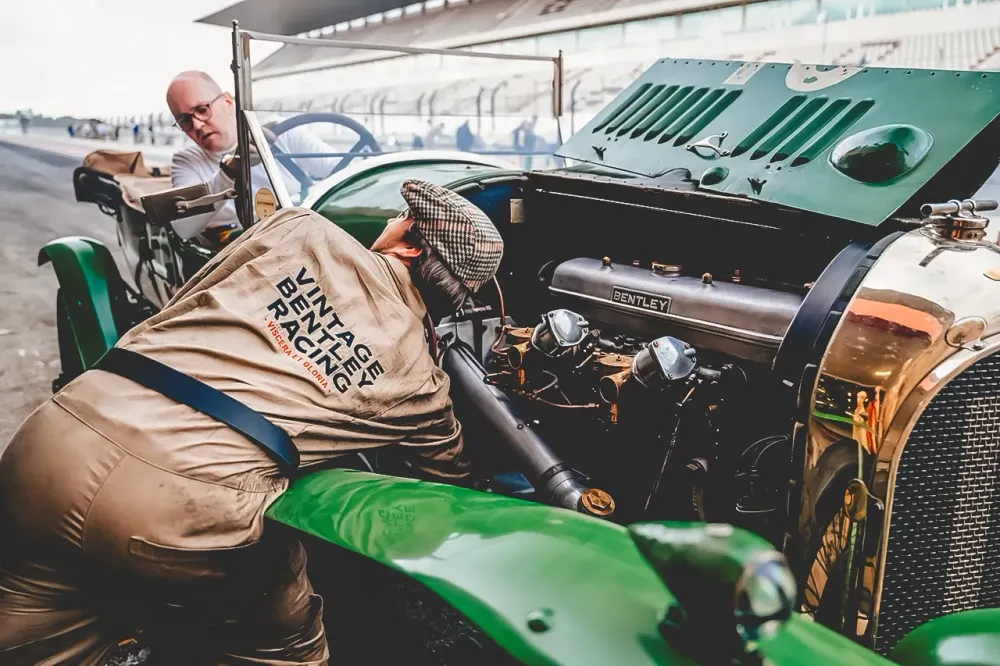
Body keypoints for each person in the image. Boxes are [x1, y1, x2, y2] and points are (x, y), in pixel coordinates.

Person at [0, 178, 504, 665]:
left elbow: (186, 302)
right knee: (286, 653)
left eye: (401, 217)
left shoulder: (300, 228)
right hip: (183, 509)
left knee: (30, 643)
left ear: (410, 244)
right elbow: (448, 480)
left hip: (60, 436)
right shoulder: (421, 382)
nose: (392, 221)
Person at [167, 71, 341, 241]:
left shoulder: (281, 133)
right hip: (237, 249)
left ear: (228, 101)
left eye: (202, 110)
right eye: (185, 121)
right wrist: (229, 171)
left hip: (301, 233)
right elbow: (183, 228)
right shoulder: (187, 161)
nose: (197, 125)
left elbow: (341, 170)